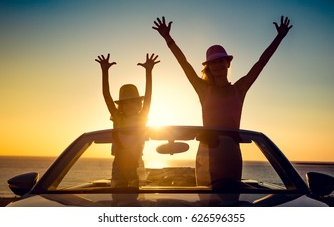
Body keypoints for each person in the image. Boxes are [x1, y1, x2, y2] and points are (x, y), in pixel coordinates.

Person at [152, 16, 293, 187]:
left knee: (230, 197)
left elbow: (260, 63)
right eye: (213, 63)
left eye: (221, 61)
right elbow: (185, 64)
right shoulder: (203, 89)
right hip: (206, 152)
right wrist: (168, 38)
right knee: (207, 201)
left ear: (227, 63)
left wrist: (279, 37)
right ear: (208, 67)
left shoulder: (240, 89)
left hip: (231, 151)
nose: (218, 65)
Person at [95, 53, 160, 187]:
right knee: (118, 192)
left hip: (136, 162)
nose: (130, 105)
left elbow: (148, 96)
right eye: (126, 103)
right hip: (119, 162)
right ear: (121, 106)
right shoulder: (117, 117)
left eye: (134, 102)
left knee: (136, 192)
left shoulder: (142, 117)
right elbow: (106, 95)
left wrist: (149, 71)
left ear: (139, 104)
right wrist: (104, 71)